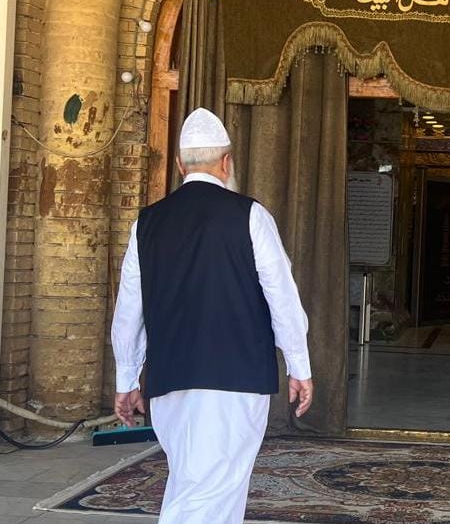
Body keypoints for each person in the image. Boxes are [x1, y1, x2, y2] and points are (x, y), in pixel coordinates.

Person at [112, 107, 312, 524]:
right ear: (226, 162)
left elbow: (129, 308)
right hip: (238, 378)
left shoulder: (147, 223)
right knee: (210, 491)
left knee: (196, 482)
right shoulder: (251, 215)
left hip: (170, 378)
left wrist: (126, 379)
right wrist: (299, 365)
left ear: (180, 164)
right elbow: (282, 296)